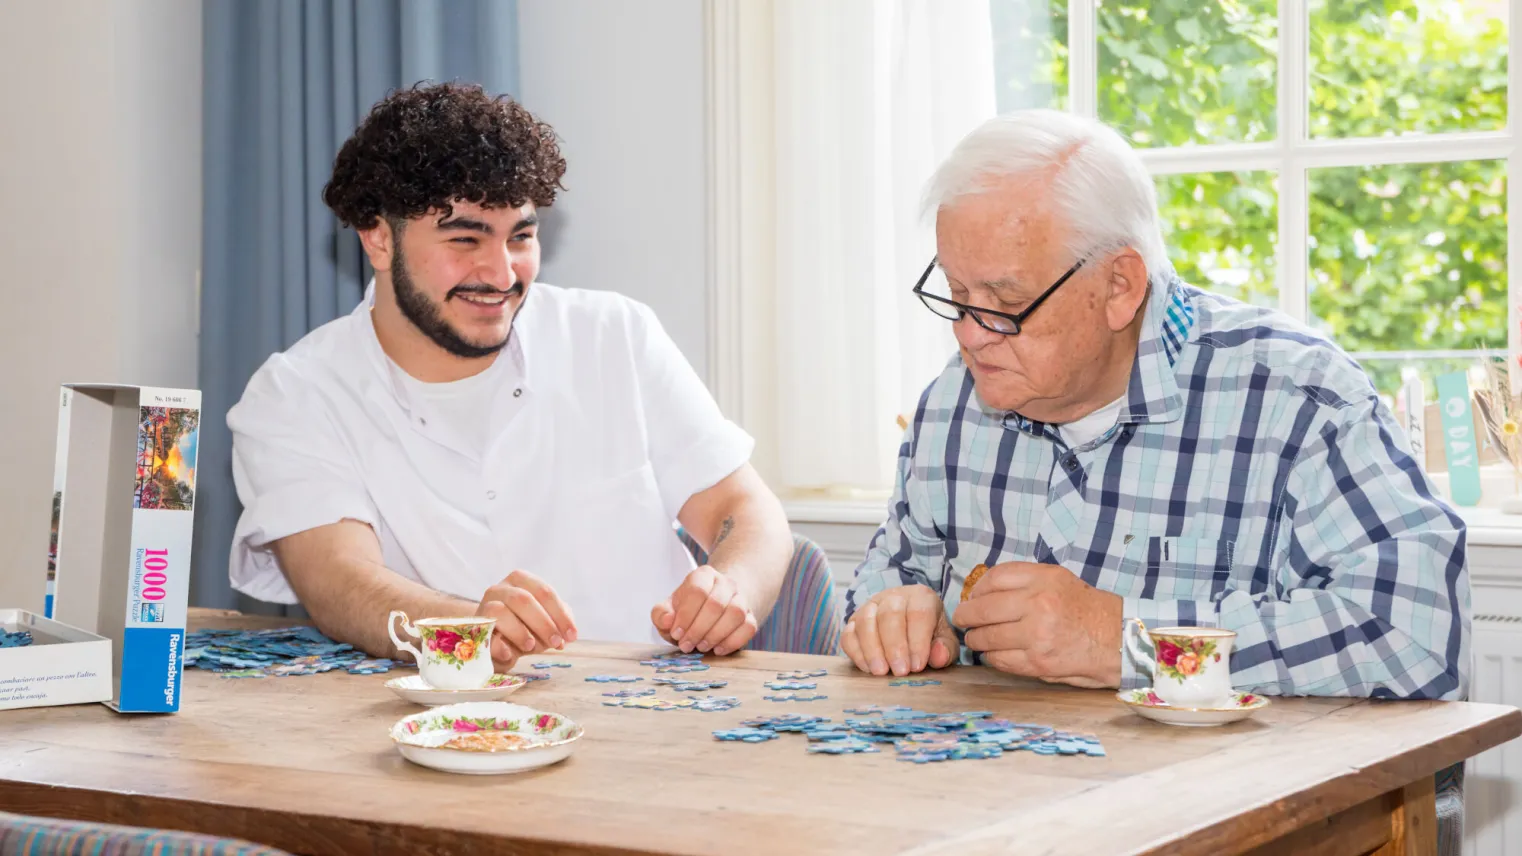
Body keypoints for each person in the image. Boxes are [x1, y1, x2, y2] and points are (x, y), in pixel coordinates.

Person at [841, 109, 1470, 700]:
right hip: (1003, 795)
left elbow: (1417, 637)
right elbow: (885, 582)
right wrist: (898, 620)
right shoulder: (955, 403)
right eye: (956, 293)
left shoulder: (1296, 398)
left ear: (1120, 285)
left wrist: (1132, 644)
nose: (969, 334)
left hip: (1230, 801)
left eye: (1005, 303)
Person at [226, 83, 793, 669]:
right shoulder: (295, 394)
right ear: (378, 238)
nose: (501, 273)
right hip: (437, 733)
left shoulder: (613, 334)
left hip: (662, 716)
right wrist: (467, 628)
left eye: (520, 237)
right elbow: (336, 579)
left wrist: (731, 588)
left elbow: (745, 507)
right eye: (465, 239)